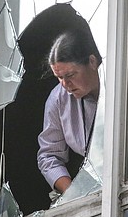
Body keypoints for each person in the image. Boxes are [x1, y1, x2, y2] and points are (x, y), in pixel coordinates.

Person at [37, 29, 102, 194]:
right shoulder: (58, 99)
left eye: (71, 75)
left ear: (92, 62)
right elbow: (48, 156)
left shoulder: (121, 83)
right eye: (59, 78)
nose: (65, 85)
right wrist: (73, 194)